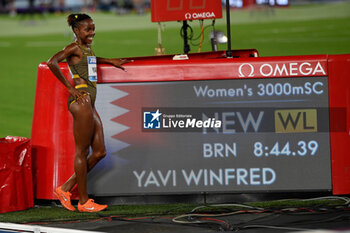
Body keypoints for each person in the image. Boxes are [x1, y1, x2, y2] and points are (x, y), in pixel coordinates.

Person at [47, 13, 131, 212]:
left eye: (93, 28)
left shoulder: (86, 48)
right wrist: (70, 88)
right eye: (88, 29)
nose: (92, 32)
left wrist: (109, 61)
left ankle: (65, 188)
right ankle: (84, 202)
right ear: (77, 31)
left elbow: (90, 62)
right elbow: (51, 62)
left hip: (89, 103)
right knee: (82, 152)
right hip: (81, 101)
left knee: (100, 151)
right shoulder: (73, 47)